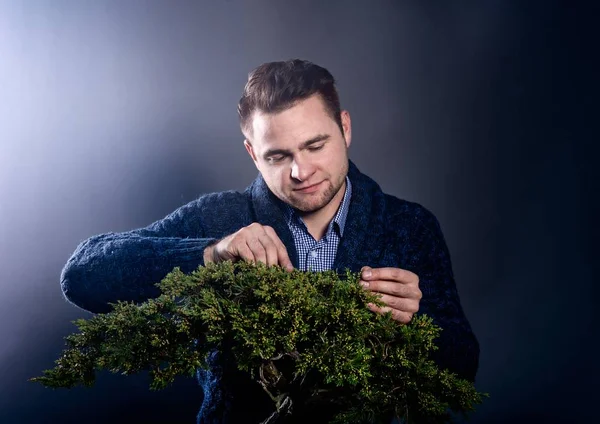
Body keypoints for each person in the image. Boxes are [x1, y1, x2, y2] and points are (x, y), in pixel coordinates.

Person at [61, 59, 479, 423]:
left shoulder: (409, 226)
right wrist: (211, 254)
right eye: (278, 156)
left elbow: (462, 369)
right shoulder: (219, 217)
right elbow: (82, 274)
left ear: (345, 128)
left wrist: (417, 321)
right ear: (252, 153)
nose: (301, 171)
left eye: (315, 145)